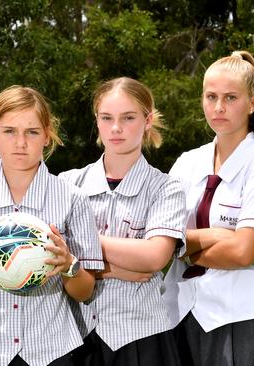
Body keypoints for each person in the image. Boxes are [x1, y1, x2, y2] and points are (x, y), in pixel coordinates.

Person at [0, 85, 104, 366]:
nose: (20, 142)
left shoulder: (73, 199)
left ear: (47, 135)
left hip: (52, 350)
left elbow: (85, 292)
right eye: (10, 131)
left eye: (32, 132)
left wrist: (68, 265)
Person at [163, 50, 254, 366]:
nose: (218, 107)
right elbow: (158, 239)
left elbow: (241, 254)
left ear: (252, 103)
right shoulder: (186, 163)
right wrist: (219, 235)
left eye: (230, 97)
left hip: (244, 319)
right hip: (180, 314)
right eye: (211, 96)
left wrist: (180, 247)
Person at [59, 77, 186, 366]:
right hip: (73, 337)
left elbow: (154, 257)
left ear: (148, 120)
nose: (116, 128)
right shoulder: (67, 183)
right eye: (107, 118)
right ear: (97, 121)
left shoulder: (166, 188)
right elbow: (47, 255)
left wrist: (80, 246)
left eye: (128, 118)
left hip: (142, 339)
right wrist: (118, 267)